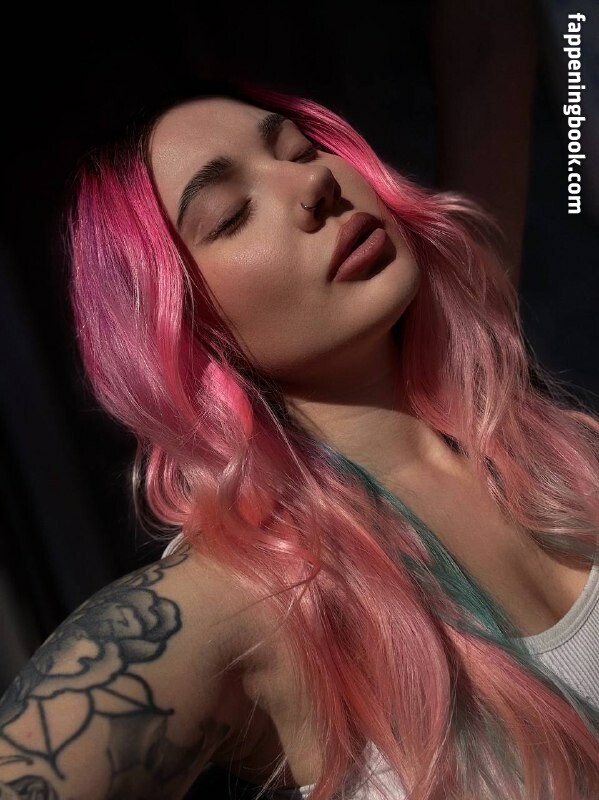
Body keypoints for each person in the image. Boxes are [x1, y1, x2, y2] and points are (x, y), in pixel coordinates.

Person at [1, 74, 599, 800]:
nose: (313, 183)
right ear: (178, 325)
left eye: (298, 149)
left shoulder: (570, 454)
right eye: (231, 215)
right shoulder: (253, 594)